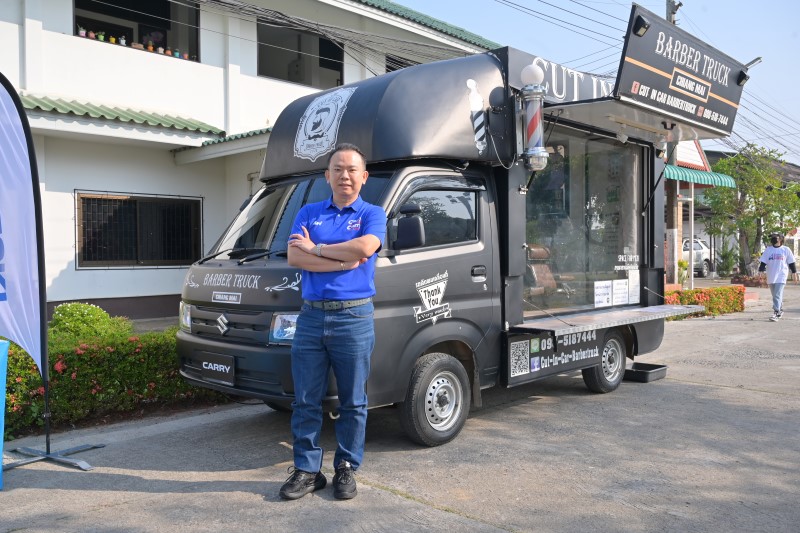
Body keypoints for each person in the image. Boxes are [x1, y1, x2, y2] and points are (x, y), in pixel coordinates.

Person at [280, 143, 386, 500]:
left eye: (352, 169)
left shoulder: (373, 213)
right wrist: (339, 260)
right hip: (311, 317)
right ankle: (308, 470)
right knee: (305, 400)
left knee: (353, 401)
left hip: (354, 316)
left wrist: (318, 250)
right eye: (337, 169)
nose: (345, 175)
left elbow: (364, 249)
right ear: (327, 175)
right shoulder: (309, 211)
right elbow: (295, 256)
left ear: (364, 176)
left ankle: (346, 467)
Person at [758, 232, 798, 321]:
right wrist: (760, 272)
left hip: (781, 275)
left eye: (774, 237)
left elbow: (791, 263)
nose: (772, 239)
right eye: (772, 237)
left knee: (777, 295)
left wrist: (794, 274)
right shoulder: (768, 250)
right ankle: (780, 309)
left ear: (780, 239)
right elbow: (763, 262)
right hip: (771, 275)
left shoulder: (786, 250)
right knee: (775, 295)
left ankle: (777, 312)